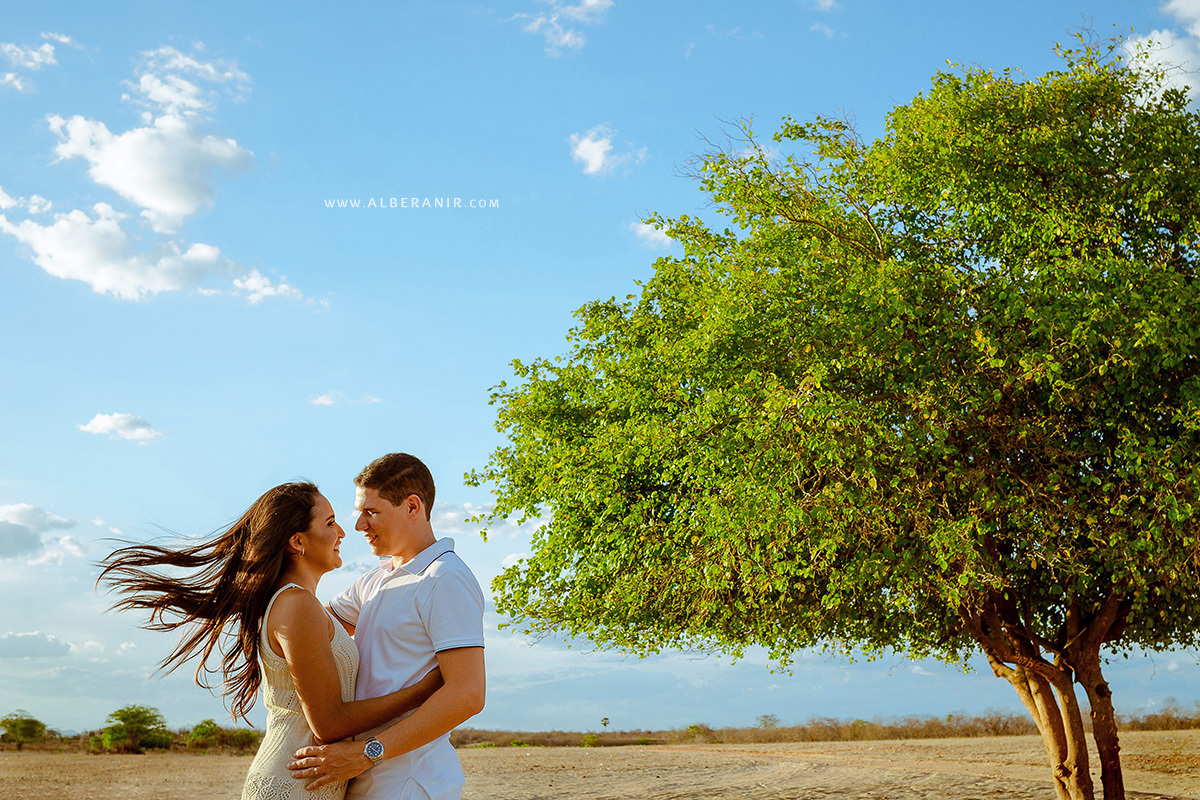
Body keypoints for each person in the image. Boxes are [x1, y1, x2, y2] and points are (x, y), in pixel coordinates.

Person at [98, 481, 445, 800]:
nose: (342, 531)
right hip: (293, 783)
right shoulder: (296, 606)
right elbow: (329, 724)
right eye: (329, 523)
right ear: (297, 541)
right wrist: (425, 688)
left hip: (307, 779)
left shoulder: (300, 605)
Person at [287, 453, 486, 800]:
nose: (359, 525)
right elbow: (311, 627)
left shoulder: (446, 579)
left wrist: (367, 753)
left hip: (411, 783)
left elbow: (467, 694)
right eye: (359, 512)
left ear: (412, 506)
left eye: (371, 512)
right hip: (365, 781)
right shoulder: (377, 579)